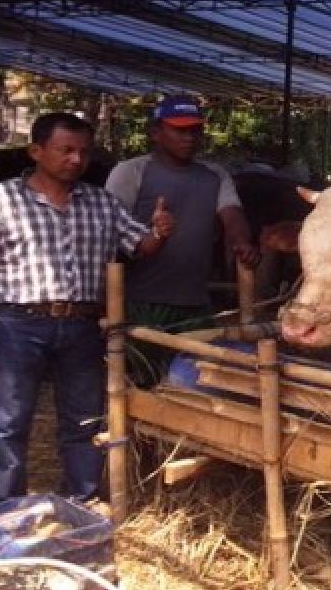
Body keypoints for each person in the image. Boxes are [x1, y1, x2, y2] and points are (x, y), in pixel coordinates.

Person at [0, 112, 175, 504]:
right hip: (18, 322)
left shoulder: (102, 202)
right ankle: (9, 505)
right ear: (36, 151)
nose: (76, 160)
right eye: (65, 150)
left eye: (83, 152)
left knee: (84, 419)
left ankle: (81, 501)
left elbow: (140, 247)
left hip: (83, 325)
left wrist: (158, 232)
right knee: (9, 421)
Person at [104, 95, 259, 381]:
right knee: (142, 379)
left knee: (199, 379)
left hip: (194, 299)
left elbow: (232, 213)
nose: (189, 138)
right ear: (156, 133)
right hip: (142, 300)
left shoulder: (215, 175)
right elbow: (110, 228)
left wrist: (241, 242)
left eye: (194, 130)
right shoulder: (131, 172)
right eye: (179, 130)